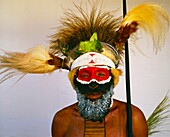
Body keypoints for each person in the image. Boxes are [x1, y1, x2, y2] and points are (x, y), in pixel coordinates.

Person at [0, 2, 169, 137]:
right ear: (74, 79)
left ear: (113, 78)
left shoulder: (133, 118)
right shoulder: (62, 120)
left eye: (101, 74)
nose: (93, 84)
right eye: (85, 75)